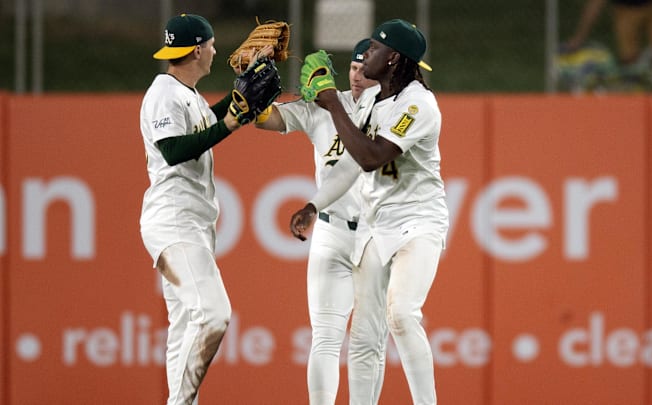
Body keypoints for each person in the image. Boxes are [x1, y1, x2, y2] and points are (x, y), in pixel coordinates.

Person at [290, 19, 448, 405]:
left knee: (402, 314)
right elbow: (348, 166)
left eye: (375, 49)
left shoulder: (418, 103)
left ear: (393, 58)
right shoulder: (375, 104)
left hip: (419, 222)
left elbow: (372, 157)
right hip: (378, 226)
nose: (366, 55)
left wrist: (331, 104)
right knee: (363, 335)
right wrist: (315, 204)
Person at [252, 39, 382, 405]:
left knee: (370, 340)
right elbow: (267, 119)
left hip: (375, 235)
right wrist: (251, 83)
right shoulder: (325, 103)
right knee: (326, 335)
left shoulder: (391, 110)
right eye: (354, 68)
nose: (357, 75)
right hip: (332, 229)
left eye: (365, 69)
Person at [139, 13, 255, 405]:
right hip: (174, 222)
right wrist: (229, 126)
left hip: (192, 223)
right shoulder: (164, 93)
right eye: (211, 44)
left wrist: (241, 99)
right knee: (213, 314)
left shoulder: (185, 94)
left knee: (185, 324)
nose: (216, 50)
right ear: (196, 49)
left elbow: (209, 121)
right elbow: (173, 150)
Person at [564, 0, 652, 87]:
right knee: (630, 62)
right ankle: (635, 97)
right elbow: (595, 4)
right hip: (625, 10)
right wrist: (580, 37)